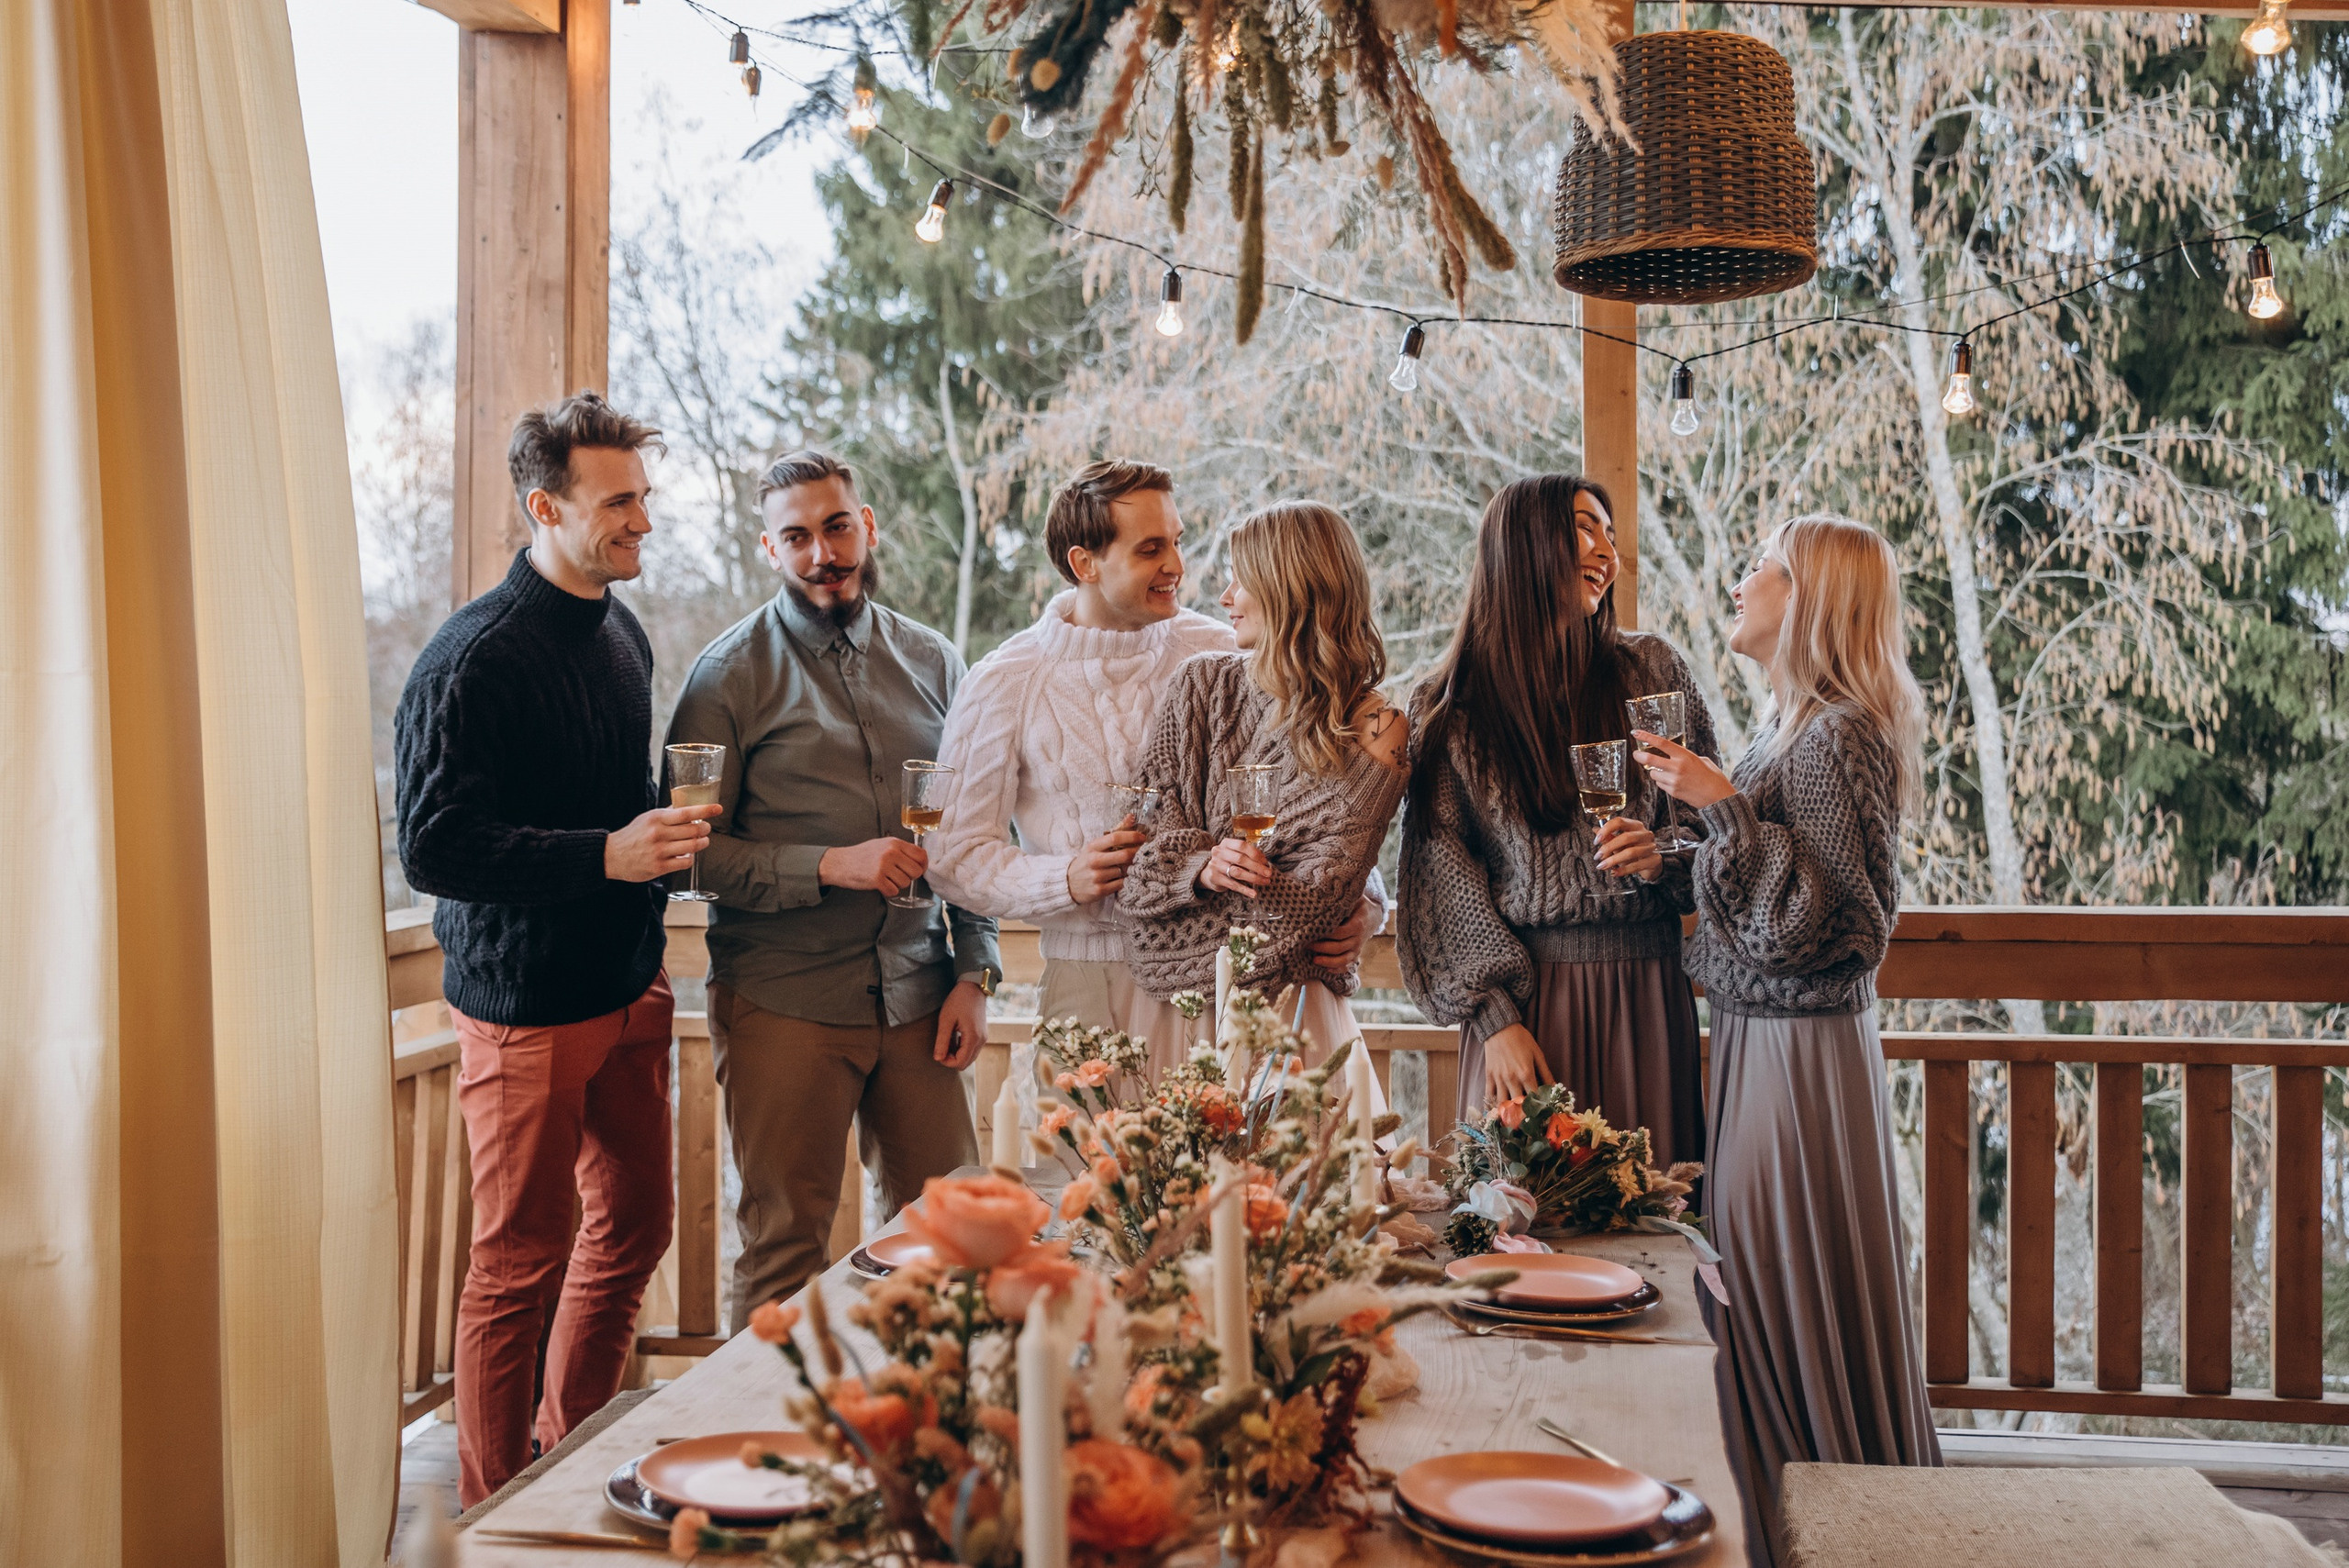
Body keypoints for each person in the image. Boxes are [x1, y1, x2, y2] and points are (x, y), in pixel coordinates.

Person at [395, 391, 717, 1506]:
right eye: (618, 501)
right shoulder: (470, 659)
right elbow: (433, 846)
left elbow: (610, 801)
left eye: (643, 495)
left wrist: (658, 844)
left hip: (630, 985)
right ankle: (495, 1505)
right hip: (526, 1006)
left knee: (634, 1227)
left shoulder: (620, 629)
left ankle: (570, 1462)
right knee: (516, 1265)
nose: (643, 519)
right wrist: (605, 856)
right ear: (545, 505)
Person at [1636, 514, 1942, 1562]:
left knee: (1778, 1278)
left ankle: (1818, 1514)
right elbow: (1761, 885)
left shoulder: (1832, 734)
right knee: (1762, 1276)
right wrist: (1673, 853)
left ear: (1807, 594)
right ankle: (1778, 1505)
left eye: (1758, 565)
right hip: (1769, 1041)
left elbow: (1827, 923)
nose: (1737, 581)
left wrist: (1720, 809)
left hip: (1799, 1051)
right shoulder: (1788, 727)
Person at [665, 449, 998, 1329]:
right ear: (769, 549)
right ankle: (764, 1464)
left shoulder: (935, 660)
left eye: (837, 526)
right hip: (784, 1001)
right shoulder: (724, 677)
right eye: (798, 536)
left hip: (924, 999)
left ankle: (925, 1452)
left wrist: (976, 970)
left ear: (868, 527)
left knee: (949, 1240)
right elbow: (689, 855)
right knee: (784, 1248)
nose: (823, 553)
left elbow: (966, 830)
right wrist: (827, 863)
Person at [928, 461, 1378, 1081]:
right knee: (1089, 1176)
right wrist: (1064, 877)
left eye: (1178, 540)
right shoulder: (1002, 681)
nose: (1177, 565)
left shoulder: (1224, 651)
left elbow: (1320, 796)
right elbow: (950, 853)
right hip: (1085, 981)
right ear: (1085, 563)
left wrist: (1363, 906)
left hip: (1219, 977)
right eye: (1150, 548)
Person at [1396, 474, 1717, 1166]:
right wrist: (1494, 1019)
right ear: (1525, 543)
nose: (1609, 550)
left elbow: (1715, 828)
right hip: (1526, 1016)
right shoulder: (1451, 708)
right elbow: (1442, 882)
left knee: (1652, 1228)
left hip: (1648, 999)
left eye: (1611, 532)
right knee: (1523, 1238)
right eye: (1586, 528)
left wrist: (1663, 855)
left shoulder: (1653, 670)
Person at [1118, 501, 1408, 1070]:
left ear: (1290, 586)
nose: (1225, 597)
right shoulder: (1199, 688)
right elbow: (1141, 864)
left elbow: (1322, 904)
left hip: (1293, 1022)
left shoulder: (1377, 729)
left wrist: (1327, 899)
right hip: (1175, 1012)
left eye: (1240, 579)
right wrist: (1202, 869)